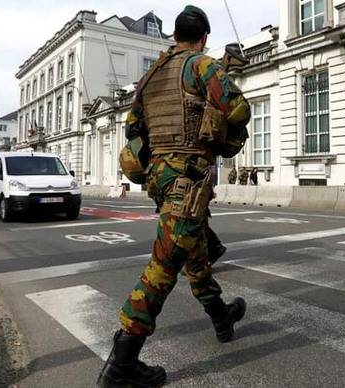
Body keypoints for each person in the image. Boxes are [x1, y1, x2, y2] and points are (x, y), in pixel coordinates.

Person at [98, 6, 251, 387]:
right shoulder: (202, 65)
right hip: (188, 180)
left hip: (161, 180)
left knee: (195, 255)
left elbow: (134, 129)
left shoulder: (150, 76)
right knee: (164, 266)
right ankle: (122, 365)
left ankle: (221, 317)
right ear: (202, 38)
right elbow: (238, 109)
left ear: (174, 36)